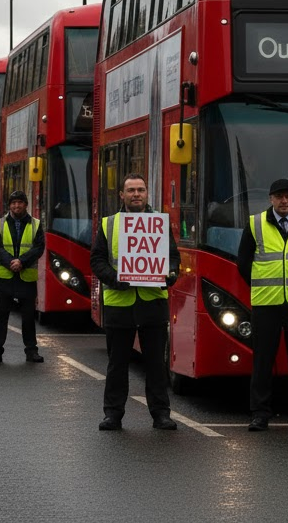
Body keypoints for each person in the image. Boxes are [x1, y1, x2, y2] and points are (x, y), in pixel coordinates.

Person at [90, 172, 180, 431]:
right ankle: (113, 415)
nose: (136, 194)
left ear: (146, 193)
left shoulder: (159, 225)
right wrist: (116, 279)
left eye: (140, 190)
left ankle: (161, 414)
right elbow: (97, 260)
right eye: (131, 190)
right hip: (120, 303)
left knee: (155, 364)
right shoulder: (109, 224)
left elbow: (173, 258)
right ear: (122, 195)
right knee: (117, 364)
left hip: (152, 304)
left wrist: (169, 274)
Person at [237, 178, 288, 432]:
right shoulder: (255, 224)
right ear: (271, 199)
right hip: (266, 303)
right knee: (262, 361)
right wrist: (262, 286)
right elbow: (244, 262)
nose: (284, 201)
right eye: (279, 196)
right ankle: (260, 414)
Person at [0, 189, 46, 364]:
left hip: (26, 276)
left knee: (28, 317)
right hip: (4, 276)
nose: (16, 205)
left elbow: (39, 247)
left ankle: (31, 351)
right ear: (9, 206)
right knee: (1, 316)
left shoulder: (36, 224)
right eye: (13, 203)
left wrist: (21, 262)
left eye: (20, 202)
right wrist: (10, 262)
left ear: (26, 205)